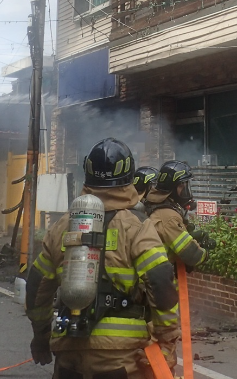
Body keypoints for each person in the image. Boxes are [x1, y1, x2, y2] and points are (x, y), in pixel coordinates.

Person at [25, 139, 180, 379]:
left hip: (69, 351)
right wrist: (166, 343)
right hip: (122, 357)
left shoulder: (62, 226)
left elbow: (37, 286)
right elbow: (160, 281)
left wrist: (41, 336)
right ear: (128, 176)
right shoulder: (137, 226)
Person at [145, 161, 208, 272]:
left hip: (157, 274)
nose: (185, 190)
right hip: (160, 277)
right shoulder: (168, 216)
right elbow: (192, 255)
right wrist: (205, 252)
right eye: (181, 186)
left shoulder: (154, 205)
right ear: (172, 188)